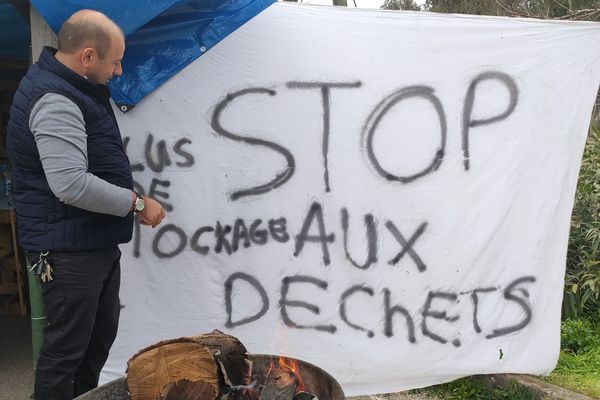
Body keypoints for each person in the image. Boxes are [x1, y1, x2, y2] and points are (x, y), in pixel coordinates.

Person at [6, 9, 165, 400]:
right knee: (65, 356)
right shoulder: (55, 99)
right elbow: (71, 184)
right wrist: (136, 202)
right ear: (88, 57)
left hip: (88, 241)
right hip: (69, 250)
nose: (118, 70)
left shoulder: (72, 89)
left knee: (93, 347)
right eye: (114, 61)